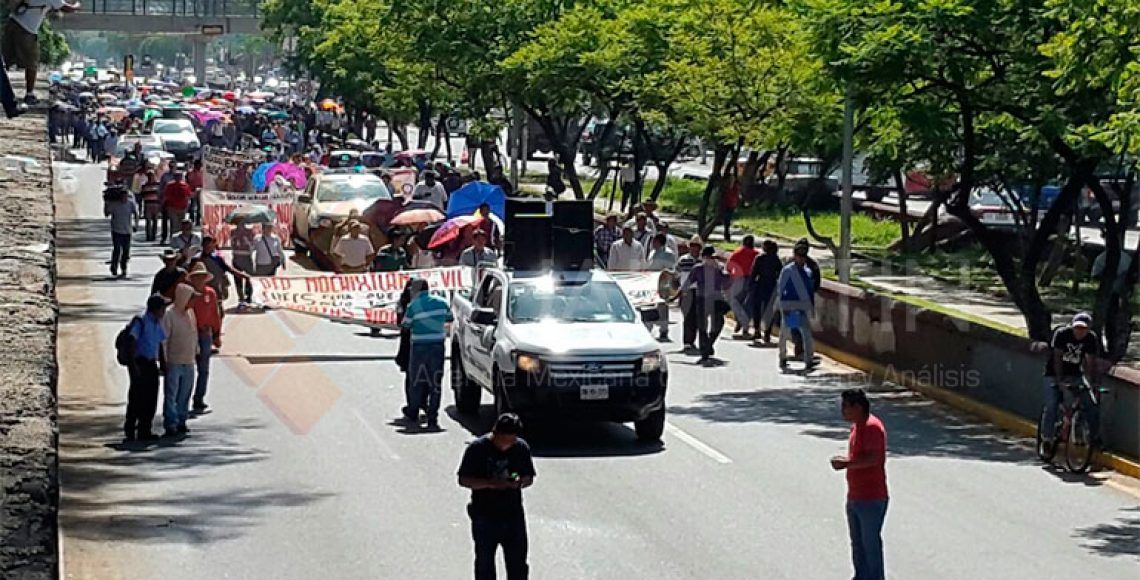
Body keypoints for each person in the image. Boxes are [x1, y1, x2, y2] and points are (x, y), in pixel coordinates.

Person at [457, 412, 536, 580]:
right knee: (485, 564)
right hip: (484, 515)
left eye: (511, 440)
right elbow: (464, 479)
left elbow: (528, 476)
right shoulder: (477, 449)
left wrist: (518, 481)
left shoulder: (520, 448)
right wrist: (491, 484)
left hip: (513, 515)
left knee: (518, 564)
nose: (507, 445)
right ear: (495, 432)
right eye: (504, 440)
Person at [830, 389, 888, 580]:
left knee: (870, 544)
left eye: (846, 406)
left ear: (858, 407)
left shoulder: (872, 427)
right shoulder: (857, 427)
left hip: (871, 497)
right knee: (858, 544)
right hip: (855, 496)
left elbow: (873, 459)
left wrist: (846, 463)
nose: (843, 411)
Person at [1041, 313, 1103, 451]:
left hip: (1075, 374)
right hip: (1053, 374)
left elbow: (1090, 362)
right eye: (1077, 328)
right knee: (1052, 405)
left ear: (1088, 329)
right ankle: (1047, 438)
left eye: (1083, 329)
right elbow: (1057, 357)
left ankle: (1094, 438)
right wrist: (1059, 381)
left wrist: (1093, 383)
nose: (1079, 332)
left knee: (1091, 405)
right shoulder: (1062, 334)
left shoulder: (1091, 339)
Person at [399, 278, 453, 430]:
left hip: (419, 347)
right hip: (437, 346)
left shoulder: (413, 306)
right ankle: (432, 418)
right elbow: (449, 318)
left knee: (416, 380)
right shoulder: (442, 302)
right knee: (435, 382)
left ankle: (413, 410)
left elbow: (406, 325)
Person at [2, 0, 80, 104]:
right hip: (27, 30)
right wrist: (77, 5)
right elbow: (68, 8)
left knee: (6, 60)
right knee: (31, 63)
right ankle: (29, 95)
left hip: (12, 23)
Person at [123, 295, 167, 442]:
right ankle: (130, 429)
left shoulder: (156, 322)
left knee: (151, 398)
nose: (164, 311)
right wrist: (133, 366)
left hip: (151, 364)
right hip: (139, 363)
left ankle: (145, 430)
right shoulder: (141, 321)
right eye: (163, 308)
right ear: (156, 309)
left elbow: (159, 343)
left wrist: (163, 364)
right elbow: (131, 341)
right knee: (136, 398)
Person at [679, 246, 728, 364]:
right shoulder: (697, 269)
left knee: (719, 323)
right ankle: (704, 351)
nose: (711, 260)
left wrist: (721, 270)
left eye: (713, 257)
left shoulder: (718, 268)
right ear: (704, 258)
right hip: (701, 299)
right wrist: (677, 296)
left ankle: (709, 343)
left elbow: (726, 282)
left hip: (716, 299)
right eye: (709, 257)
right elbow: (687, 284)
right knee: (702, 325)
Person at [161, 283, 198, 437]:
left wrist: (197, 352)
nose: (193, 302)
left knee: (185, 393)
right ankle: (170, 422)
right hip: (174, 361)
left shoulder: (190, 314)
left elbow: (194, 333)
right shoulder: (169, 315)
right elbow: (164, 340)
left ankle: (182, 420)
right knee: (171, 394)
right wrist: (164, 361)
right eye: (191, 298)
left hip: (189, 361)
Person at [185, 262, 221, 414]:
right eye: (196, 277)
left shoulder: (210, 293)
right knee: (187, 369)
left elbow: (215, 314)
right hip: (190, 335)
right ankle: (183, 400)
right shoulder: (187, 294)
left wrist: (217, 334)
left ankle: (199, 399)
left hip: (205, 334)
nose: (199, 280)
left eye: (201, 277)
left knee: (204, 369)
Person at [777, 243, 816, 371]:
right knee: (786, 332)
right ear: (795, 256)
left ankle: (809, 359)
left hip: (802, 307)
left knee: (806, 333)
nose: (802, 259)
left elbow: (810, 290)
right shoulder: (788, 270)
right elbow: (781, 289)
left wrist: (811, 306)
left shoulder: (807, 271)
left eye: (804, 256)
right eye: (799, 256)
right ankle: (782, 357)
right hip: (790, 306)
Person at [644, 233, 676, 341]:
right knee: (650, 305)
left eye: (655, 241)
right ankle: (649, 327)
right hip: (651, 282)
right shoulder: (652, 252)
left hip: (663, 283)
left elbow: (672, 270)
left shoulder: (668, 254)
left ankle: (664, 329)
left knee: (662, 307)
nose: (653, 243)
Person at [750, 240, 782, 343]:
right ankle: (767, 333)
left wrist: (751, 284)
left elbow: (754, 272)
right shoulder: (776, 259)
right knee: (769, 310)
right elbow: (780, 273)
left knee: (757, 309)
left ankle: (757, 330)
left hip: (760, 284)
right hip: (771, 286)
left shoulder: (760, 258)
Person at [726, 235, 759, 337]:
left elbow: (728, 267)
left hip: (739, 279)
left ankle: (741, 320)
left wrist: (732, 276)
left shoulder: (738, 252)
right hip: (752, 280)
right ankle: (744, 326)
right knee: (748, 304)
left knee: (734, 301)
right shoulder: (756, 254)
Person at [675, 236, 703, 351]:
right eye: (692, 246)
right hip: (686, 291)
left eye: (696, 247)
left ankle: (692, 340)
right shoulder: (683, 260)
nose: (694, 249)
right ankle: (687, 341)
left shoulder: (702, 261)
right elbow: (676, 274)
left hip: (699, 291)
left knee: (696, 317)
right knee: (687, 317)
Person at [200, 236, 248, 304]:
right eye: (206, 245)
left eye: (210, 244)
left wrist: (243, 275)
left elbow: (229, 269)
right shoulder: (198, 259)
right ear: (203, 246)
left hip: (216, 287)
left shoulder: (217, 258)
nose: (208, 247)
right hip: (203, 289)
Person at [103, 186, 137, 278]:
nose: (124, 198)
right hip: (116, 230)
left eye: (125, 196)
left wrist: (135, 224)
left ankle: (124, 269)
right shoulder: (114, 205)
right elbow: (106, 214)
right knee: (117, 250)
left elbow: (136, 213)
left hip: (127, 231)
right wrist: (106, 204)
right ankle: (114, 267)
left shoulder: (130, 203)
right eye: (122, 196)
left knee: (126, 252)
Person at [162, 171, 193, 244]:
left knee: (180, 225)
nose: (178, 177)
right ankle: (174, 240)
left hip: (182, 208)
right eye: (177, 176)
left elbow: (188, 196)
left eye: (179, 176)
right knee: (174, 225)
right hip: (172, 208)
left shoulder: (185, 185)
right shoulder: (169, 185)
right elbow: (166, 196)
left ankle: (179, 241)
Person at [230, 222, 256, 304]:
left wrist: (246, 240)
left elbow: (252, 245)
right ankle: (240, 296)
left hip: (247, 256)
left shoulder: (249, 232)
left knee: (249, 277)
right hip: (237, 256)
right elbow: (232, 243)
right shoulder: (233, 232)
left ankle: (248, 295)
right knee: (237, 278)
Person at [139, 171, 162, 241]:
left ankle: (154, 235)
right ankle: (148, 236)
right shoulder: (144, 185)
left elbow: (160, 195)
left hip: (156, 205)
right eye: (149, 176)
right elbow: (141, 195)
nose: (151, 178)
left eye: (152, 176)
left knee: (155, 221)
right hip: (148, 205)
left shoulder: (158, 185)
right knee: (148, 221)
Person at [720, 173, 741, 242]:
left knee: (727, 221)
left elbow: (737, 197)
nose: (731, 180)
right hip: (725, 205)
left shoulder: (736, 187)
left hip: (731, 205)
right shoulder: (725, 187)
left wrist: (737, 205)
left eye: (733, 179)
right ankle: (726, 235)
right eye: (730, 179)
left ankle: (727, 236)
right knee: (726, 221)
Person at [186, 159, 204, 225]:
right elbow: (187, 181)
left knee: (199, 207)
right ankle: (192, 219)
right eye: (197, 165)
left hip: (200, 191)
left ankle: (198, 221)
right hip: (192, 191)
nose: (199, 166)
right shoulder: (190, 172)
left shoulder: (202, 172)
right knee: (192, 206)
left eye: (200, 165)